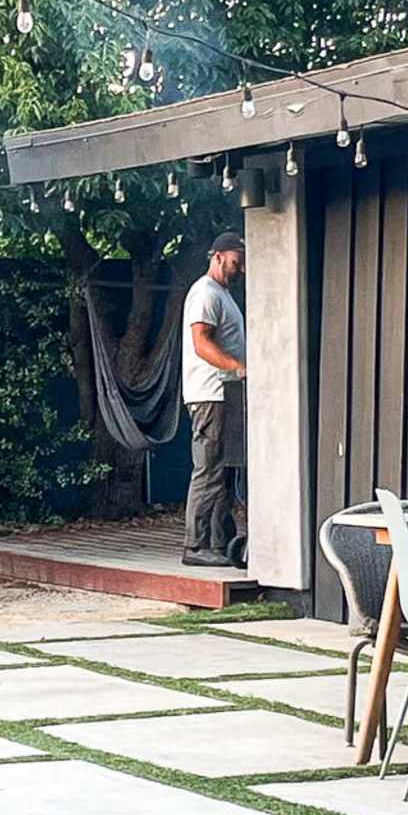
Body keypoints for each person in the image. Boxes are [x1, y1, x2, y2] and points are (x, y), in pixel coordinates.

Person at [181, 233, 247, 569]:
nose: (240, 269)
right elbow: (201, 343)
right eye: (236, 262)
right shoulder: (205, 293)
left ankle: (220, 542)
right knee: (208, 469)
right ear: (218, 256)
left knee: (222, 468)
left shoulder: (222, 294)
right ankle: (195, 545)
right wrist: (239, 367)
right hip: (211, 393)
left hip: (224, 393)